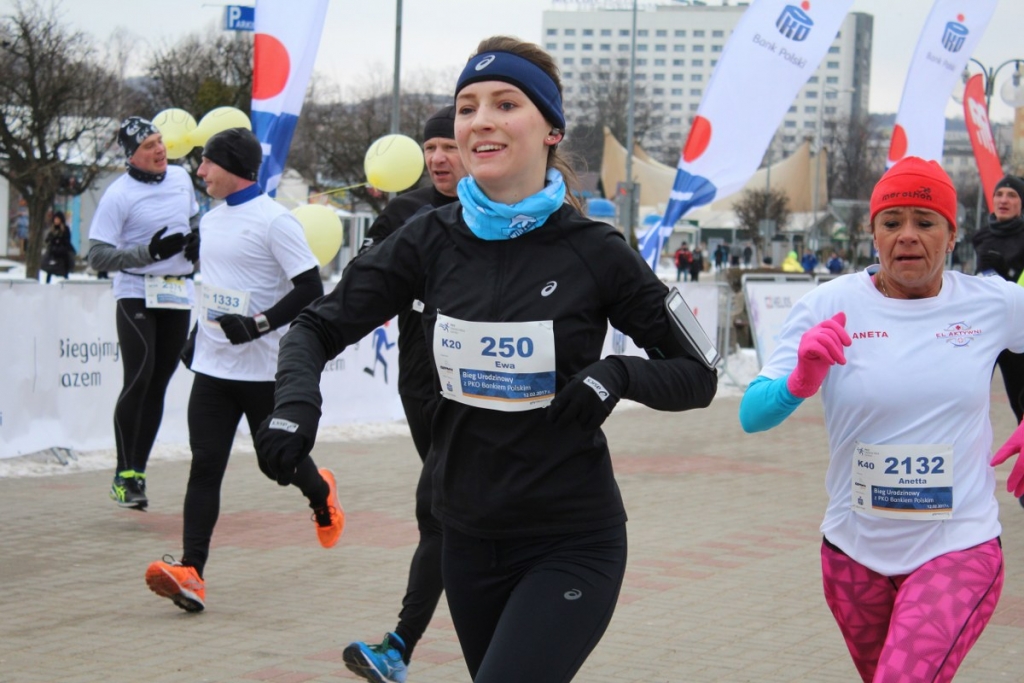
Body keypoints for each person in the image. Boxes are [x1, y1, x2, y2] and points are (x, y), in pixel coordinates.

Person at [255, 36, 718, 683]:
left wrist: (618, 374)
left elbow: (699, 373)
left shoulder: (596, 250)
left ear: (551, 129)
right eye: (467, 107)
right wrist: (296, 403)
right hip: (467, 540)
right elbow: (314, 325)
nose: (481, 121)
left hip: (570, 538)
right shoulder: (426, 240)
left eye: (505, 103)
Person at [739, 157, 1023, 682]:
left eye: (925, 221)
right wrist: (799, 380)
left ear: (951, 235)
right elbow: (751, 414)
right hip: (853, 555)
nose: (907, 235)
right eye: (892, 222)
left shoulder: (993, 303)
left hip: (958, 546)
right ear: (874, 235)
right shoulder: (829, 303)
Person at [143, 128, 342, 613]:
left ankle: (322, 495)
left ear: (232, 166)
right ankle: (192, 573)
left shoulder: (275, 221)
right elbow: (217, 288)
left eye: (207, 162)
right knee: (205, 465)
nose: (200, 171)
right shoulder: (212, 220)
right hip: (213, 370)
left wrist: (258, 325)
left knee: (278, 464)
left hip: (263, 371)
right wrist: (198, 337)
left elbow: (310, 288)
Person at [341, 105, 467, 683]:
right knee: (452, 509)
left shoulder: (507, 213)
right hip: (420, 383)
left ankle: (400, 646)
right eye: (430, 148)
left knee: (441, 508)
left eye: (449, 146)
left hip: (486, 387)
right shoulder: (405, 211)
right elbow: (360, 285)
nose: (438, 158)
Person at [88, 116, 198, 510]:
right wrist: (148, 253)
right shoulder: (118, 195)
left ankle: (138, 471)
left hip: (176, 292)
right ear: (131, 155)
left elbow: (193, 218)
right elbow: (97, 255)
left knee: (158, 383)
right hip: (136, 292)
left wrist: (198, 238)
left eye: (160, 141)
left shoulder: (181, 178)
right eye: (149, 145)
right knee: (139, 376)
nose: (160, 150)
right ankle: (122, 475)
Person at [972, 175, 1024, 427]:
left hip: (1018, 328)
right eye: (999, 194)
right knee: (971, 398)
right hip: (985, 327)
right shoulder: (981, 236)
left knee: (1020, 401)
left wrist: (1007, 273)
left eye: (1012, 195)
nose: (1004, 200)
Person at [41, 210, 76, 283]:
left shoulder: (65, 229)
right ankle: (47, 283)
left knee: (64, 268)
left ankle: (66, 282)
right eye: (55, 219)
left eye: (57, 219)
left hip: (62, 252)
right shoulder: (52, 229)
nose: (56, 221)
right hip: (53, 252)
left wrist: (59, 243)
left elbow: (66, 241)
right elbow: (48, 239)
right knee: (49, 269)